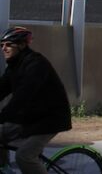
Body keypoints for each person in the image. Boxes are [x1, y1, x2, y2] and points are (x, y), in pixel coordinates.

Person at [0, 27, 72, 174]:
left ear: (21, 45)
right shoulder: (14, 66)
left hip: (49, 120)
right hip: (30, 117)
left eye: (8, 44)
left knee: (24, 156)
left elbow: (23, 95)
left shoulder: (36, 64)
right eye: (1, 45)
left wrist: (3, 115)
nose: (4, 49)